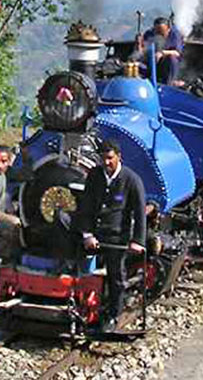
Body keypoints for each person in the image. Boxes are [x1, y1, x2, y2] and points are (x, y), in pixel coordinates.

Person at [77, 140, 147, 332]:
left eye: (110, 158)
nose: (106, 163)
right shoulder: (94, 175)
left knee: (116, 276)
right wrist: (87, 234)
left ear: (118, 157)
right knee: (77, 266)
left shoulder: (132, 180)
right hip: (95, 235)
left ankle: (113, 315)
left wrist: (137, 241)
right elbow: (86, 206)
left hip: (117, 238)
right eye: (103, 158)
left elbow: (140, 213)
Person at [141, 17, 184, 85]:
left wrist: (162, 53)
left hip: (167, 65)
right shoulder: (149, 34)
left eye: (162, 33)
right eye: (157, 32)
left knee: (171, 58)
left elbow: (177, 52)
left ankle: (170, 83)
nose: (159, 35)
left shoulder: (175, 35)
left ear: (168, 29)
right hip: (152, 63)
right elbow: (142, 50)